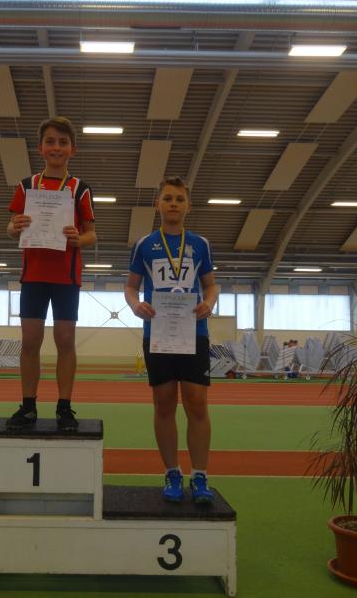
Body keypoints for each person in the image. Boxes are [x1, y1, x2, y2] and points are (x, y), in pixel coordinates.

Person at [124, 176, 218, 504]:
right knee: (164, 404)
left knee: (197, 403)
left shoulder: (200, 244)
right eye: (167, 198)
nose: (173, 204)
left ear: (188, 206)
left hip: (194, 332)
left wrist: (209, 302)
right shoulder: (145, 245)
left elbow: (211, 285)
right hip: (158, 333)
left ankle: (200, 476)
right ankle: (172, 473)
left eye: (179, 199)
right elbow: (131, 287)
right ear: (157, 204)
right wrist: (136, 305)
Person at [5, 116, 96, 431]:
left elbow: (91, 234)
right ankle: (28, 405)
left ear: (73, 149)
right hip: (33, 276)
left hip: (66, 279)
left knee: (65, 340)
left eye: (63, 142)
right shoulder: (27, 186)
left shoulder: (80, 188)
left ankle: (64, 407)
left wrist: (78, 238)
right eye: (50, 141)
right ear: (40, 148)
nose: (56, 147)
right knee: (30, 340)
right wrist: (14, 226)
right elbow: (11, 227)